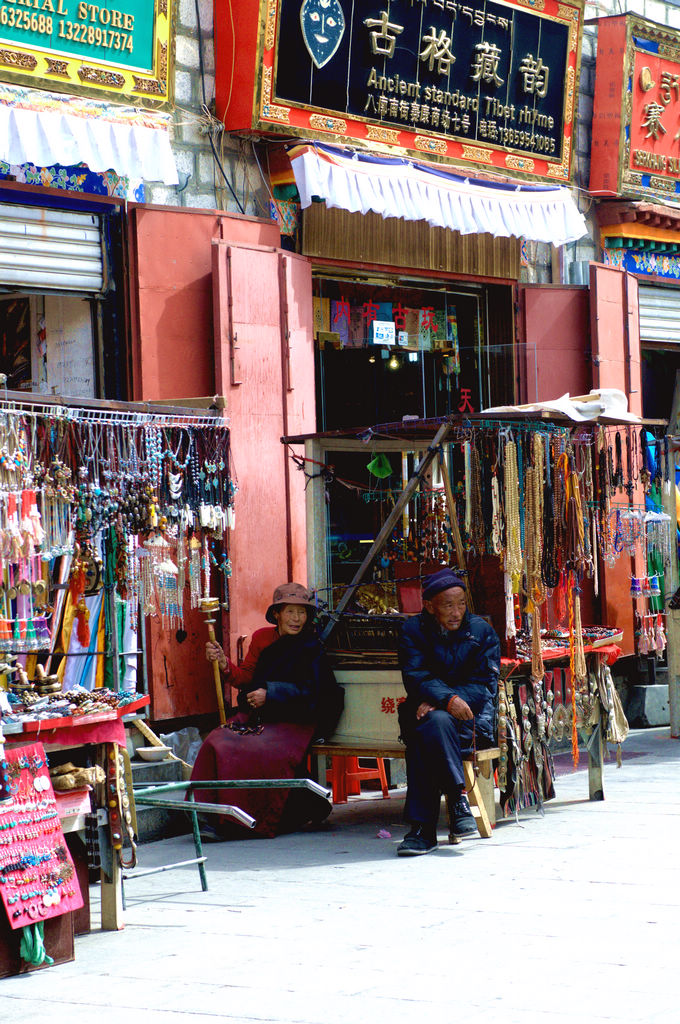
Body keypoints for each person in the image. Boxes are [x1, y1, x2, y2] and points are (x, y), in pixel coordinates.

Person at [191, 582, 343, 839]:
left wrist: (271, 694)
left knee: (258, 750)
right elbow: (246, 677)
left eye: (302, 612)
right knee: (217, 739)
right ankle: (207, 814)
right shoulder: (263, 639)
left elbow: (315, 692)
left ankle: (245, 821)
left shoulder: (311, 646)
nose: (297, 619)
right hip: (259, 718)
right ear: (277, 614)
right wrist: (223, 664)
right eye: (290, 612)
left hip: (294, 720)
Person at [397, 568, 500, 856]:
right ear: (429, 606)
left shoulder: (481, 632)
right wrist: (446, 700)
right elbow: (415, 675)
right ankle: (457, 798)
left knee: (430, 731)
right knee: (434, 724)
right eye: (448, 605)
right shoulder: (412, 630)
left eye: (461, 604)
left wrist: (447, 700)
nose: (456, 612)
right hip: (426, 717)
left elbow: (485, 686)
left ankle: (421, 831)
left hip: (472, 720)